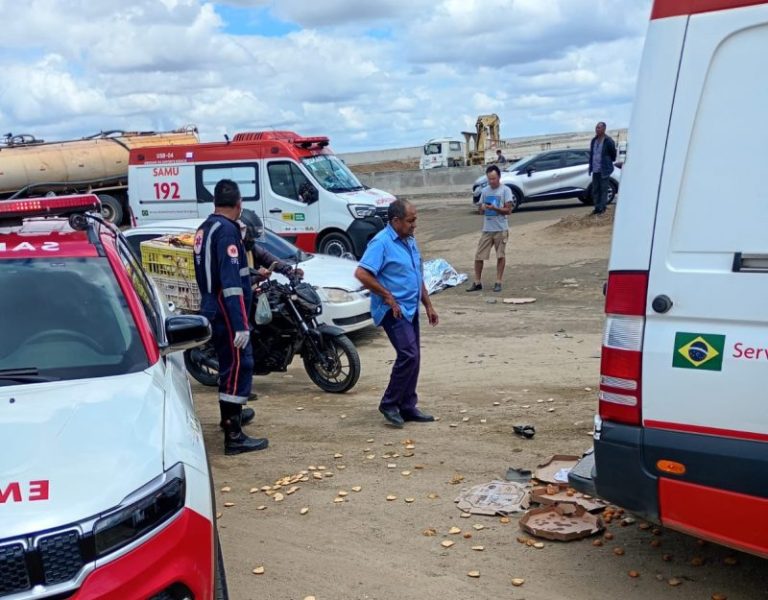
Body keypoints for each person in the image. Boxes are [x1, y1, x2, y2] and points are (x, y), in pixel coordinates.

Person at [193, 180, 268, 455]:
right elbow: (231, 282)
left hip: (212, 304)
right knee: (239, 364)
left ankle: (231, 415)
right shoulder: (227, 232)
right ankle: (233, 434)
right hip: (226, 308)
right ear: (239, 205)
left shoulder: (205, 228)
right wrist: (240, 324)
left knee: (229, 364)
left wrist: (255, 274)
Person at [354, 199, 439, 428]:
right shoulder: (380, 243)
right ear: (395, 221)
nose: (414, 225)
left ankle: (407, 405)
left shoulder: (409, 240)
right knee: (408, 354)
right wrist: (387, 295)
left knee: (415, 357)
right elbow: (362, 274)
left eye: (415, 220)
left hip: (411, 308)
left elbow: (416, 274)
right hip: (393, 310)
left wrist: (428, 305)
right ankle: (389, 403)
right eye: (410, 221)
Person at [467, 165, 513, 293]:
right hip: (487, 229)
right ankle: (477, 282)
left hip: (501, 228)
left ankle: (498, 281)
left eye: (494, 179)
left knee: (500, 255)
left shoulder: (506, 190)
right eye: (489, 179)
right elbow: (480, 208)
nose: (491, 181)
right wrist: (482, 208)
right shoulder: (485, 191)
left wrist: (495, 208)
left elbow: (508, 210)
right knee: (478, 256)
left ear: (499, 177)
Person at [588, 121, 617, 215]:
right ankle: (597, 207)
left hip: (604, 169)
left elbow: (613, 154)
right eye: (596, 128)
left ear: (604, 129)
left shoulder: (608, 141)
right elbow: (592, 154)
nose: (597, 129)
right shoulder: (594, 140)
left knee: (603, 189)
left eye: (599, 128)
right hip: (595, 169)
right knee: (595, 189)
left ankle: (602, 208)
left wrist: (607, 161)